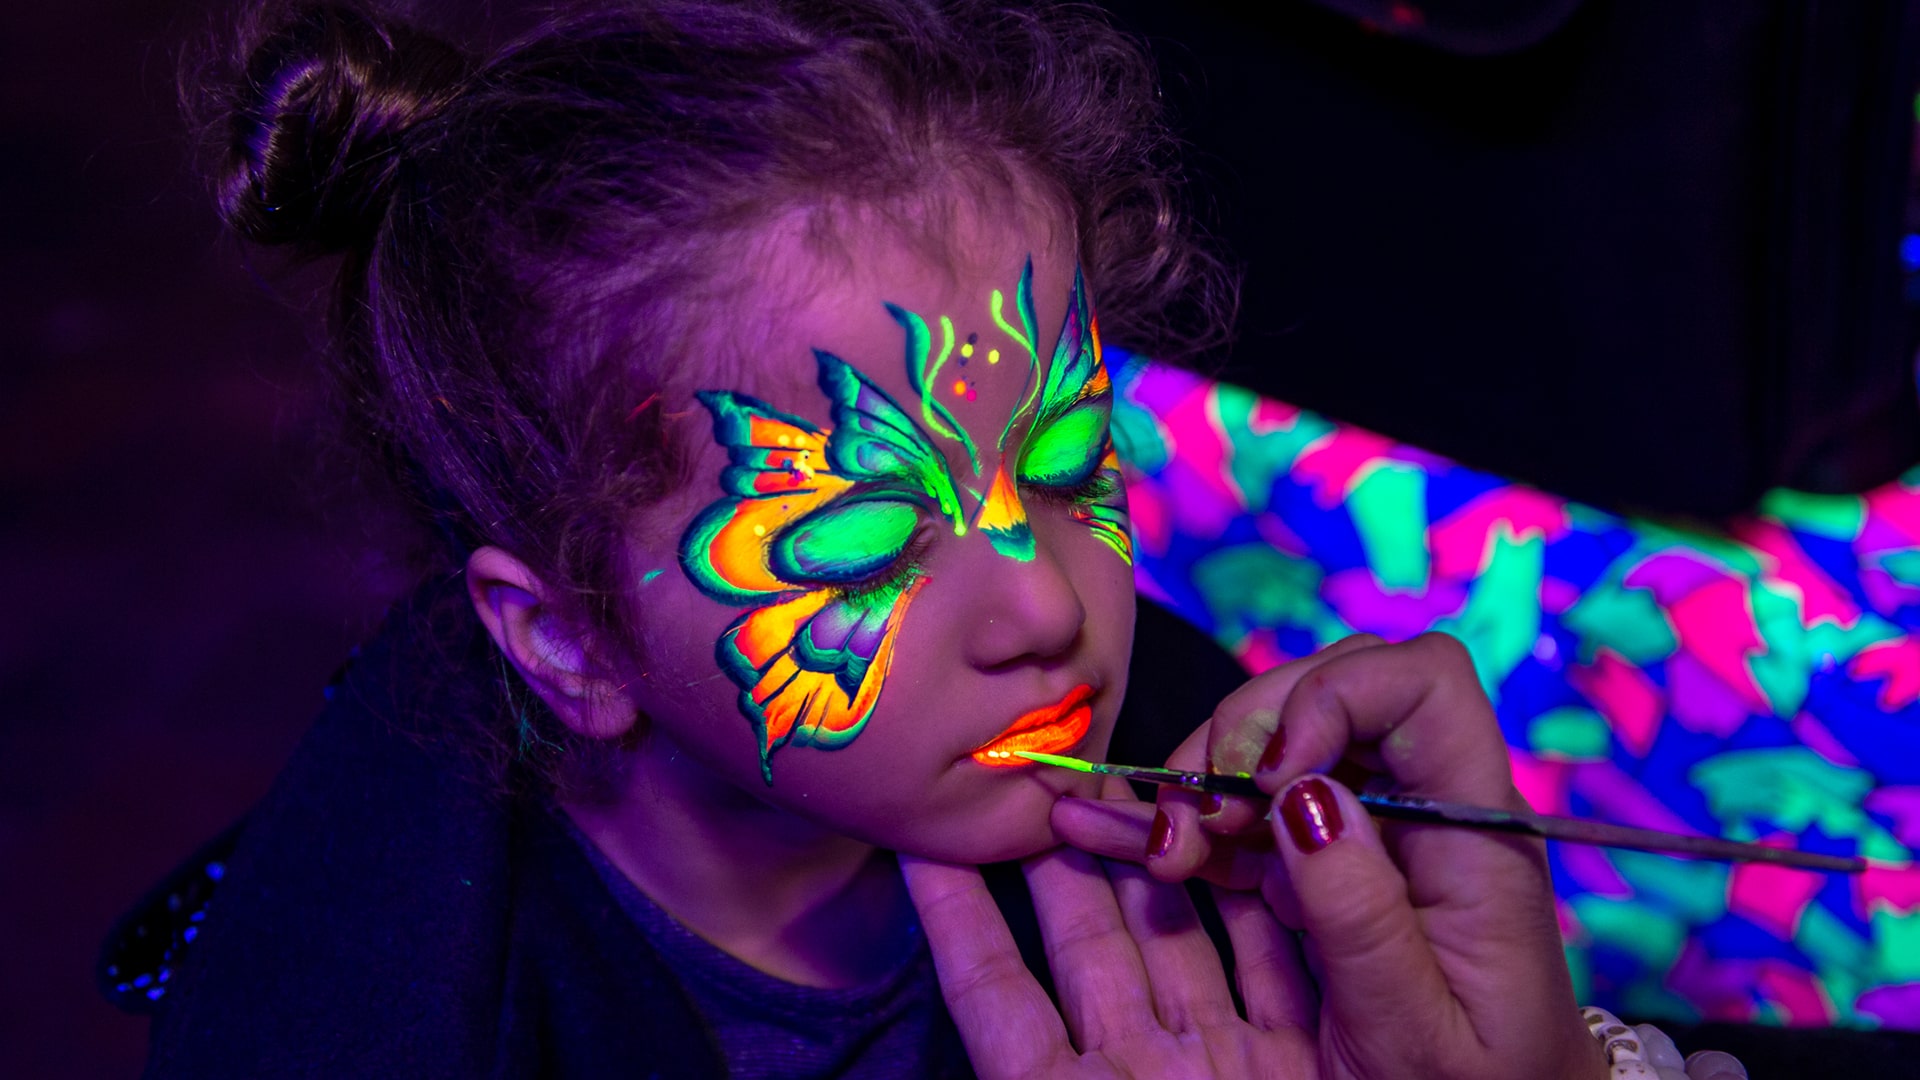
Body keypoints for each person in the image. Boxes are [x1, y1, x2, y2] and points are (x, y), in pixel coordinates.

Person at [105, 1, 1747, 1076]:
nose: (1045, 599)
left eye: (1063, 461)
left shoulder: (1192, 756)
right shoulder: (394, 1019)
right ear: (573, 639)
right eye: (877, 536)